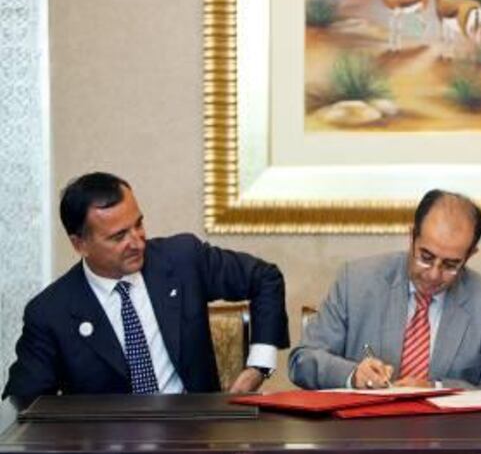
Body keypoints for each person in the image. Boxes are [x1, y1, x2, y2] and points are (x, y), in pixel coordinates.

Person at [2, 172, 290, 409]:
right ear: (80, 244)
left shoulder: (182, 260)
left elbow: (265, 278)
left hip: (197, 440)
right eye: (118, 236)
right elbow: (22, 405)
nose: (137, 242)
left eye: (138, 224)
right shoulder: (51, 312)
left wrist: (259, 367)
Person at [288, 189, 481, 394]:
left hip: (450, 439)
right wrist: (353, 375)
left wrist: (436, 389)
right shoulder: (357, 281)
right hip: (358, 438)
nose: (433, 274)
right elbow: (302, 361)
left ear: (470, 255)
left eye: (450, 265)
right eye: (426, 257)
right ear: (411, 237)